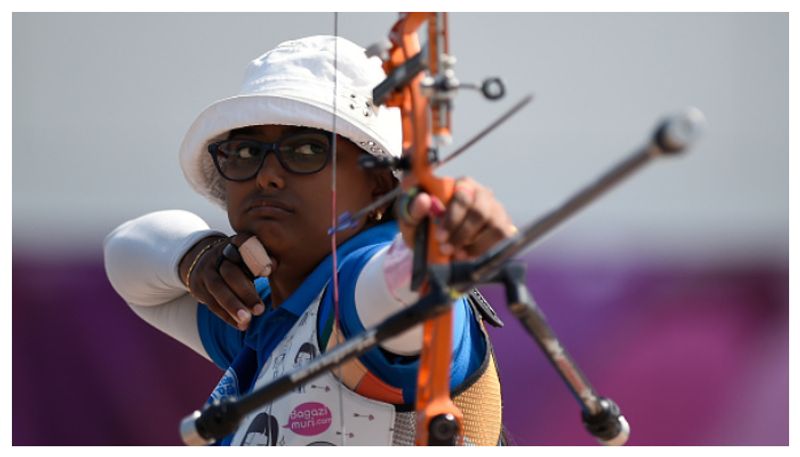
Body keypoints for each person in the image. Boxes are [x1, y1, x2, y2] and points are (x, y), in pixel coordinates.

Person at [104, 35, 516, 446]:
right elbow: (126, 259)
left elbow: (396, 294)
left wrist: (432, 252)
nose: (267, 174)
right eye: (246, 152)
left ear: (377, 183)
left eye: (305, 149)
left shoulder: (358, 279)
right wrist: (195, 256)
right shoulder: (259, 309)